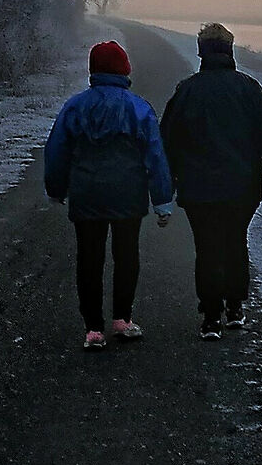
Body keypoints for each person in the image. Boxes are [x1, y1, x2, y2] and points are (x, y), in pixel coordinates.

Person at [159, 23, 262, 339]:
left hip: (198, 189)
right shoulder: (249, 89)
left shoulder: (187, 91)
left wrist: (167, 186)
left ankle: (210, 317)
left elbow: (167, 141)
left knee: (206, 246)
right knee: (234, 241)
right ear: (230, 50)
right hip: (241, 188)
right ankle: (234, 307)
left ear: (201, 50)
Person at [45, 40, 174, 350]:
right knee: (126, 255)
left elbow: (57, 151)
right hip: (128, 195)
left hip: (87, 193)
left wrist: (56, 189)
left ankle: (92, 329)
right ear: (124, 70)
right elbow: (155, 156)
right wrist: (162, 200)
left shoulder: (75, 106)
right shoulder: (139, 108)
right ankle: (122, 319)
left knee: (89, 258)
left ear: (93, 70)